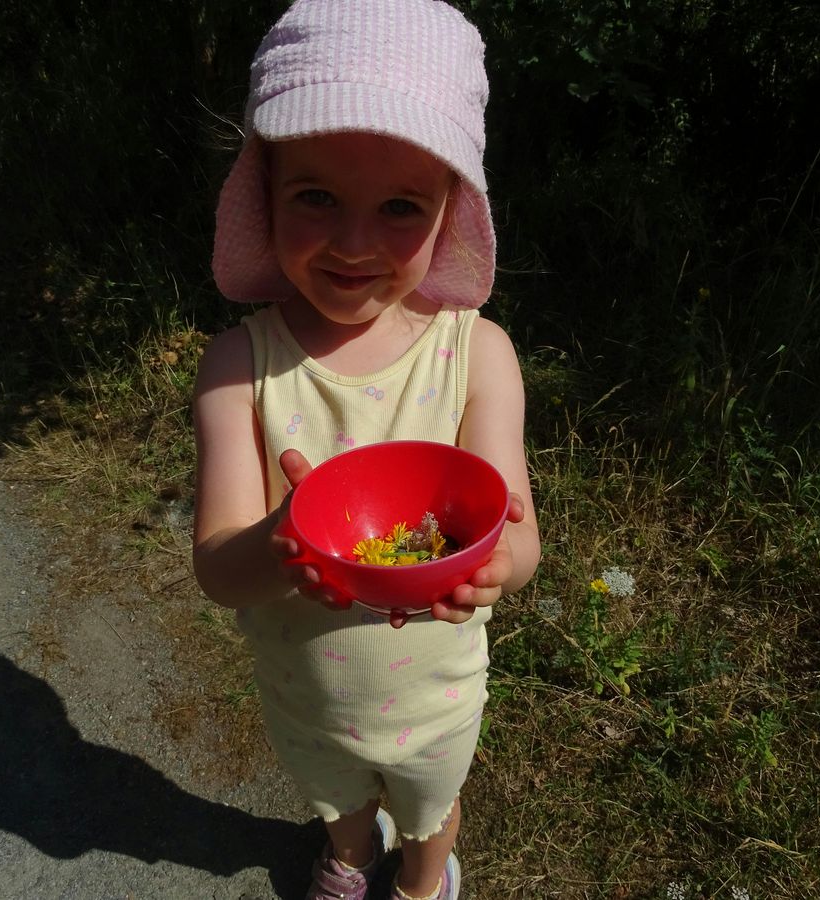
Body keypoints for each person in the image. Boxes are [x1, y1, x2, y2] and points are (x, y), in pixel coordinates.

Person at [191, 2, 540, 898]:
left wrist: (495, 565)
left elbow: (518, 535)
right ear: (264, 194)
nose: (354, 244)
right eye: (316, 197)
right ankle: (350, 854)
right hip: (305, 693)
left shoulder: (477, 354)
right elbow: (219, 569)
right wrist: (281, 539)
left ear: (450, 214)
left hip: (435, 694)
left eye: (399, 208)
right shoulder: (239, 366)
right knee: (336, 798)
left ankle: (423, 879)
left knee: (430, 803)